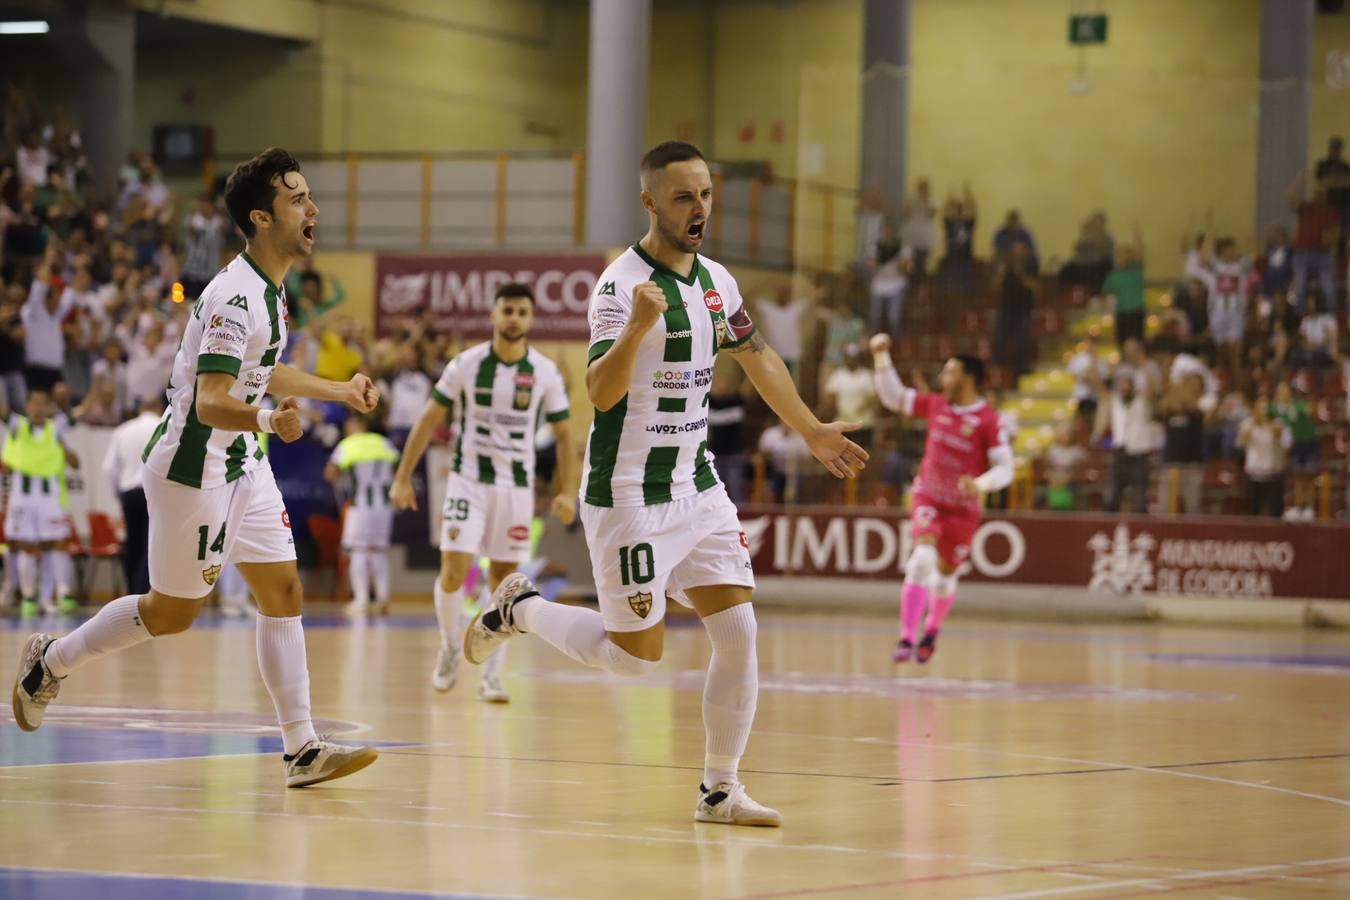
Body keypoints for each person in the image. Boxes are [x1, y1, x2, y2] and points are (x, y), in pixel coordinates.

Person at [463, 141, 867, 827]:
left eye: (706, 193)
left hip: (697, 483)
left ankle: (719, 789)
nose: (699, 207)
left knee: (739, 631)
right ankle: (519, 609)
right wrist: (639, 330)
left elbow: (758, 355)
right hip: (629, 492)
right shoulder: (620, 287)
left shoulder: (716, 281)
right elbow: (600, 388)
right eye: (683, 196)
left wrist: (810, 429)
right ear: (651, 202)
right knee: (633, 663)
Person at [12, 148, 382, 788]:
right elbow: (213, 402)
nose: (313, 208)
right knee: (172, 613)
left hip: (243, 464)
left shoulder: (271, 291)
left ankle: (301, 748)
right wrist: (269, 420)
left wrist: (338, 391)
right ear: (263, 219)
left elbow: (261, 372)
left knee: (283, 592)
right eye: (299, 200)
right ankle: (52, 660)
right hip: (193, 470)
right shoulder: (236, 296)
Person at [390, 282, 578, 704]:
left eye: (521, 312)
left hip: (515, 487)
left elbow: (566, 437)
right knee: (455, 571)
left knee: (505, 582)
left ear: (530, 320)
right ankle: (450, 644)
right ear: (493, 315)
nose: (513, 318)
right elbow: (426, 420)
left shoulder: (544, 371)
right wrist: (402, 476)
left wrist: (567, 490)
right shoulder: (467, 364)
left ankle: (492, 674)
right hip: (468, 480)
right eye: (507, 310)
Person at [871, 336, 1012, 663]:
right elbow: (894, 397)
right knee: (920, 560)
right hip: (928, 497)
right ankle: (906, 638)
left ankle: (931, 630)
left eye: (949, 372)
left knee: (946, 576)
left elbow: (1006, 468)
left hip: (963, 510)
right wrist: (881, 357)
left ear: (968, 379)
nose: (942, 379)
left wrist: (980, 484)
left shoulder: (988, 420)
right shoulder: (936, 404)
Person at [1, 387, 80, 616]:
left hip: (50, 497)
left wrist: (68, 453)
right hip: (22, 498)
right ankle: (28, 596)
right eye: (33, 403)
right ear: (27, 406)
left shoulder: (56, 428)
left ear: (48, 407)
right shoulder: (18, 425)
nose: (37, 407)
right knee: (25, 544)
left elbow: (79, 412)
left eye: (42, 403)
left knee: (54, 544)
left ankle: (51, 596)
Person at [324, 413, 399, 614]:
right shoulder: (384, 443)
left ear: (358, 424)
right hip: (384, 507)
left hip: (360, 506)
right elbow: (398, 468)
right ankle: (383, 598)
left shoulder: (348, 444)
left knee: (358, 551)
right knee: (378, 551)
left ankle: (361, 599)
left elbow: (330, 473)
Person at [102, 395, 165, 594]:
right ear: (160, 407)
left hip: (129, 492)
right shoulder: (165, 427)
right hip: (155, 492)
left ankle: (131, 592)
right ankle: (143, 593)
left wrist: (119, 495)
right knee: (150, 544)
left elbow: (109, 468)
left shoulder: (123, 430)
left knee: (132, 543)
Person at [1238, 401, 1290, 518]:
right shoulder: (1247, 424)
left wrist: (1265, 423)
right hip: (1253, 472)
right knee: (1253, 510)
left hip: (1273, 473)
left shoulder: (1277, 423)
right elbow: (1241, 442)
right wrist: (1254, 424)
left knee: (1275, 511)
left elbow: (1278, 436)